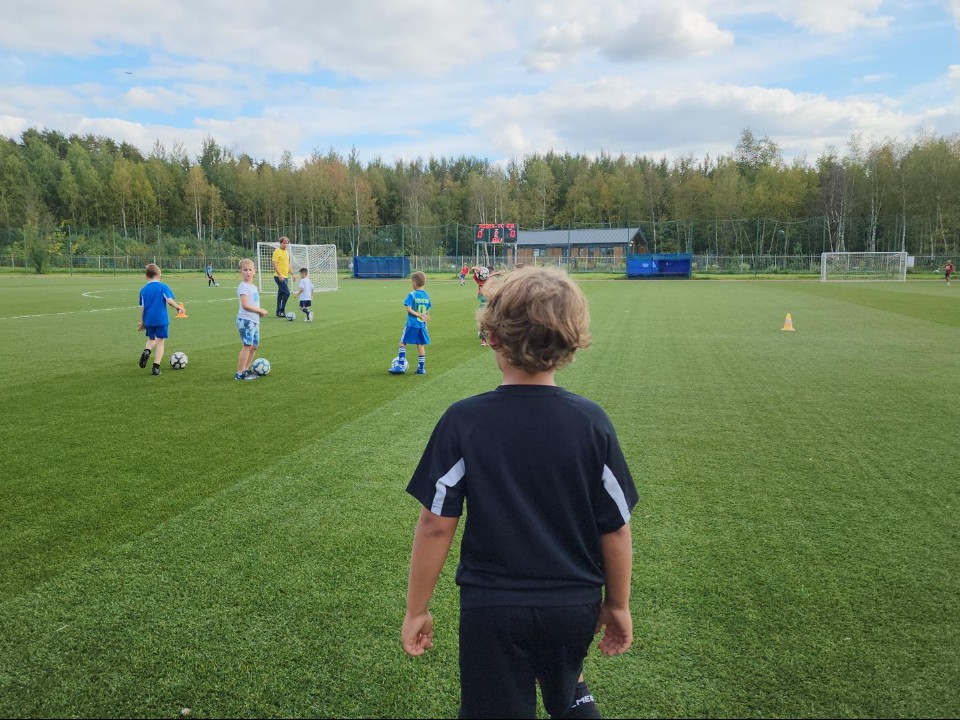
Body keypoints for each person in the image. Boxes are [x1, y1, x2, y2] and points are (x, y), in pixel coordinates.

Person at [402, 266, 638, 719]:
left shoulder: (465, 421)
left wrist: (417, 610)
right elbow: (616, 528)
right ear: (570, 343)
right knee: (567, 690)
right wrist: (618, 604)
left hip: (493, 607)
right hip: (573, 604)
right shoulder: (592, 423)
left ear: (491, 336)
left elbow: (435, 525)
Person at [137, 263, 182, 376]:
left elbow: (143, 308)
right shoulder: (163, 287)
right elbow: (169, 301)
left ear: (146, 276)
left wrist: (142, 322)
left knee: (151, 340)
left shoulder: (143, 290)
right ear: (159, 275)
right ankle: (156, 367)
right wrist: (178, 307)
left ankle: (147, 350)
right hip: (161, 319)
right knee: (160, 342)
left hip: (149, 319)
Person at [389, 270, 431, 375]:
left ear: (414, 283)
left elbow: (409, 309)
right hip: (421, 325)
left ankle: (400, 366)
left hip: (412, 324)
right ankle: (421, 369)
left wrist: (418, 314)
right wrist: (425, 322)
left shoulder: (411, 294)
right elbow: (427, 312)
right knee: (420, 345)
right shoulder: (426, 296)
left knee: (402, 343)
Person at [236, 258, 268, 380]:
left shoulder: (253, 287)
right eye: (245, 270)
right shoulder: (243, 286)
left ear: (254, 271)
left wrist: (258, 314)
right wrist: (260, 310)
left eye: (250, 270)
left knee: (254, 346)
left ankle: (246, 369)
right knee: (247, 345)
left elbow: (253, 304)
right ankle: (239, 373)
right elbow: (245, 305)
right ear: (241, 272)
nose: (248, 272)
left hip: (254, 320)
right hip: (245, 321)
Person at [471, 265, 502, 346]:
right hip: (484, 304)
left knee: (495, 321)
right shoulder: (481, 280)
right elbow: (473, 269)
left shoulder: (494, 281)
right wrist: (475, 269)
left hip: (493, 304)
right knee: (483, 321)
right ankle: (483, 340)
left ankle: (493, 337)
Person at [272, 236, 295, 318]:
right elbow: (274, 264)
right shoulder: (277, 251)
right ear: (280, 243)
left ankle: (278, 312)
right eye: (284, 243)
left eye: (287, 243)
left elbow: (287, 265)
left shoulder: (286, 252)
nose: (285, 244)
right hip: (279, 276)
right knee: (287, 292)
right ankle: (281, 310)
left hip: (285, 276)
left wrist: (292, 274)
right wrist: (279, 274)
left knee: (281, 294)